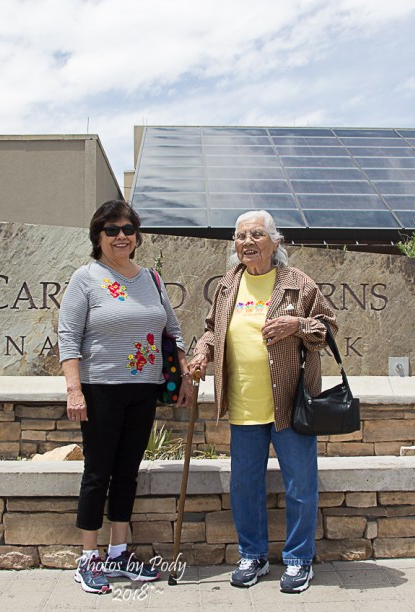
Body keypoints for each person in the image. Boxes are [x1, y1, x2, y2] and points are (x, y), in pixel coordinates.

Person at [186, 210, 336, 594]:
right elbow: (210, 330)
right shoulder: (227, 286)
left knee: (300, 486)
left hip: (290, 404)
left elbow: (328, 327)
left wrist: (297, 325)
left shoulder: (297, 284)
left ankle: (299, 561)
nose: (247, 243)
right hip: (244, 404)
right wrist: (202, 353)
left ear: (275, 241)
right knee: (244, 486)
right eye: (240, 237)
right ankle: (251, 555)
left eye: (256, 235)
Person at [57, 199, 194, 594]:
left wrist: (184, 375)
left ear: (137, 235)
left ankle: (119, 551)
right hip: (100, 389)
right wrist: (74, 389)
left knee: (128, 473)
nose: (122, 236)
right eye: (112, 230)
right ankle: (88, 559)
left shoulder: (151, 278)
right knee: (98, 473)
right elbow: (68, 338)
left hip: (144, 388)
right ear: (98, 237)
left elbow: (173, 330)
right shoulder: (86, 278)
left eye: (128, 229)